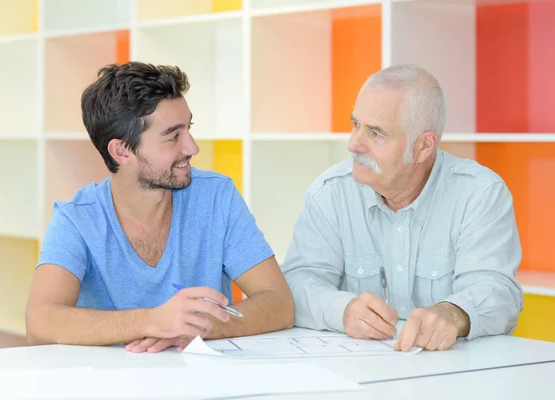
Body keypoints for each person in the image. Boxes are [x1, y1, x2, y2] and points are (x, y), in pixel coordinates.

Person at [26, 61, 294, 353]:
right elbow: (40, 322)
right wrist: (152, 321)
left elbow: (279, 302)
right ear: (122, 150)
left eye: (188, 128)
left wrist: (200, 327)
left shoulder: (217, 196)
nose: (192, 147)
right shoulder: (77, 218)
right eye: (173, 136)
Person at [281, 64, 523, 352]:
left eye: (376, 133)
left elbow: (498, 291)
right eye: (355, 124)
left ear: (423, 146)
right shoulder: (330, 193)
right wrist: (342, 310)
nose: (354, 144)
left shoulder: (479, 194)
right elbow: (296, 284)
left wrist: (453, 313)